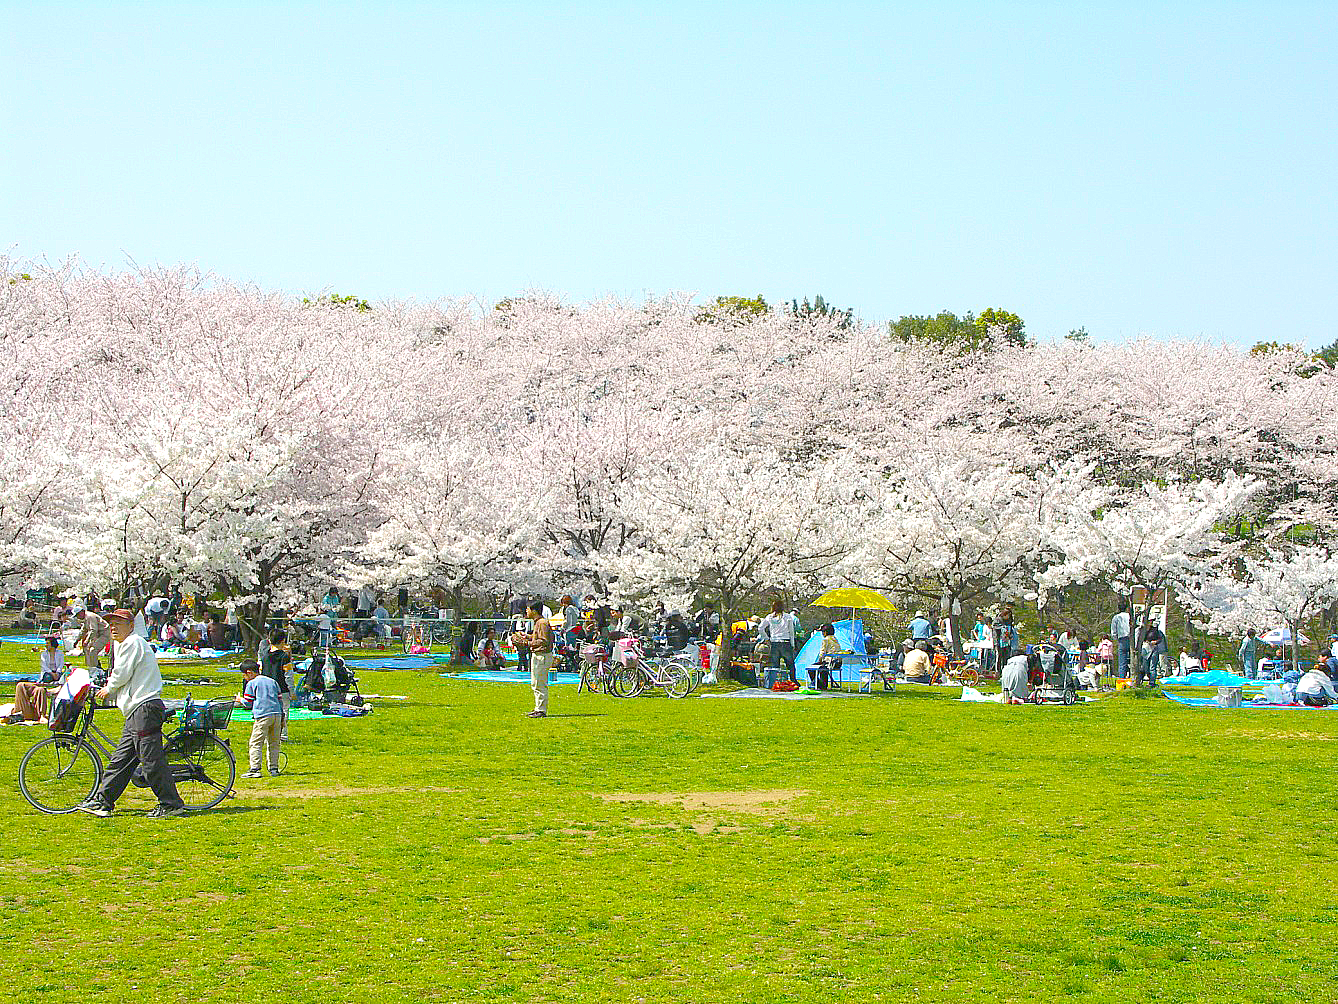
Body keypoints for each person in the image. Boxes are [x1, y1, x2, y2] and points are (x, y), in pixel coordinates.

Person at [76, 608, 186, 818]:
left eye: (119, 623)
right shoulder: (123, 644)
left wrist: (109, 689)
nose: (114, 628)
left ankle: (171, 803)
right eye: (111, 624)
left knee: (150, 759)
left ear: (131, 626)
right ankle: (103, 801)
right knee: (122, 759)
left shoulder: (133, 642)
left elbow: (122, 673)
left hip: (144, 707)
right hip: (136, 710)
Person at [238, 659, 283, 777]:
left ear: (250, 672)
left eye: (244, 675)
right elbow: (280, 700)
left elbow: (248, 703)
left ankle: (255, 769)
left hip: (262, 715)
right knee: (274, 743)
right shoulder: (272, 681)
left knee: (256, 742)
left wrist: (239, 700)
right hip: (277, 714)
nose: (244, 678)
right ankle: (274, 768)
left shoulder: (252, 683)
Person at [515, 601, 554, 718]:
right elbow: (539, 637)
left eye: (528, 609)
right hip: (539, 655)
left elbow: (543, 640)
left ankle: (541, 710)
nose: (526, 611)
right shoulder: (539, 623)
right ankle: (538, 708)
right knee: (536, 683)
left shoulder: (542, 623)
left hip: (542, 655)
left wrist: (527, 643)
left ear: (534, 611)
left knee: (539, 683)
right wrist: (527, 636)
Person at [758, 599, 799, 687]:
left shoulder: (769, 617)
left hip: (774, 643)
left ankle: (776, 683)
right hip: (785, 642)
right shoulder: (788, 617)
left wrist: (766, 638)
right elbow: (791, 632)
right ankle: (793, 681)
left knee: (775, 666)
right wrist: (792, 644)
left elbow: (760, 628)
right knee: (790, 664)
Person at [263, 629, 293, 740]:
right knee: (284, 711)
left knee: (268, 712)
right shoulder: (284, 657)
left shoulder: (265, 655)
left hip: (267, 689)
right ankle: (283, 734)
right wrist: (292, 691)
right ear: (283, 641)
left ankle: (268, 735)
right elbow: (288, 676)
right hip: (282, 689)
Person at [813, 622, 842, 691]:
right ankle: (822, 685)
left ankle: (819, 684)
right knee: (823, 667)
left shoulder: (826, 640)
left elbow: (822, 652)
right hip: (838, 663)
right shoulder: (835, 639)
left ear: (825, 632)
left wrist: (820, 660)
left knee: (812, 668)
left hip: (830, 663)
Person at [1111, 599, 1131, 680]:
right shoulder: (1130, 616)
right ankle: (1132, 676)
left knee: (1122, 661)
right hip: (1131, 639)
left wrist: (1115, 638)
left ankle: (1122, 678)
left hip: (1122, 639)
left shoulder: (1116, 617)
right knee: (1132, 660)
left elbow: (1113, 631)